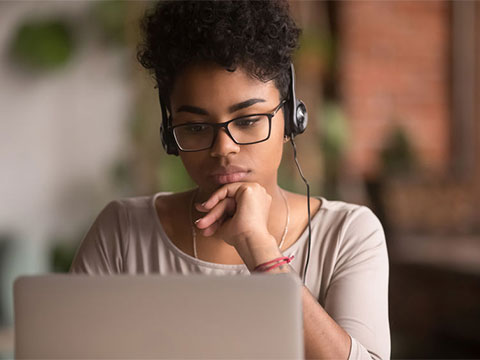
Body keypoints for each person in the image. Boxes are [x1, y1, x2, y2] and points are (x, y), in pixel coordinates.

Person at [69, 1, 390, 359]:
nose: (224, 149)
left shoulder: (348, 234)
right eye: (195, 127)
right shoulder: (122, 234)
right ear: (168, 133)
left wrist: (258, 247)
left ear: (290, 119)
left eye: (248, 120)